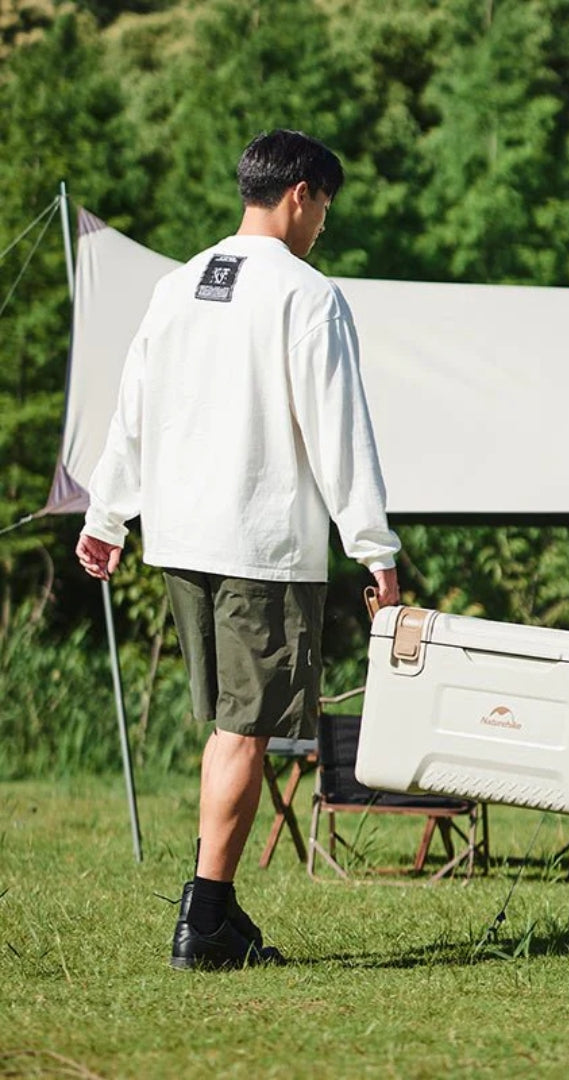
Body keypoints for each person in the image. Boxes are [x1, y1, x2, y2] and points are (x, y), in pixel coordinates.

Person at [75, 129, 401, 970]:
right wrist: (376, 550)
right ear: (301, 194)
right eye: (324, 206)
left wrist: (107, 516)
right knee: (245, 732)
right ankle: (205, 919)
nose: (322, 224)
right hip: (260, 544)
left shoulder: (178, 284)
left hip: (180, 539)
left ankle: (214, 909)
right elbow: (340, 434)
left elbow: (132, 408)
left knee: (227, 729)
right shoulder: (307, 294)